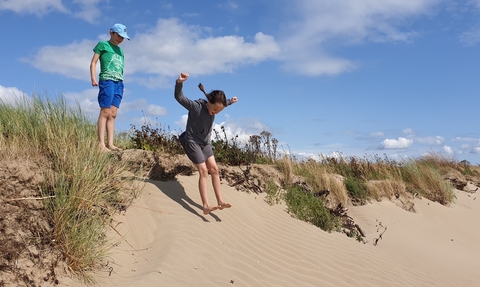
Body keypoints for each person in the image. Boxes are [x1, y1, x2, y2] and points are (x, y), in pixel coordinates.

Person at [175, 72, 237, 215]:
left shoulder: (216, 106)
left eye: (219, 111)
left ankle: (220, 201)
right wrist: (179, 83)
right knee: (203, 171)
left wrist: (231, 102)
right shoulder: (196, 106)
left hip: (205, 143)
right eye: (215, 109)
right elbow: (179, 97)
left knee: (214, 169)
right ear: (208, 102)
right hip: (191, 142)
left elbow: (222, 104)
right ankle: (206, 205)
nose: (215, 112)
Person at [90, 23, 130, 152]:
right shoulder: (103, 44)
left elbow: (121, 68)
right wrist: (93, 78)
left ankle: (111, 144)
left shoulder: (121, 51)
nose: (120, 39)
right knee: (105, 111)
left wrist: (121, 83)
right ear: (111, 33)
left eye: (123, 37)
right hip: (107, 80)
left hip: (119, 82)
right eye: (118, 36)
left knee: (113, 113)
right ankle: (101, 144)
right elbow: (93, 62)